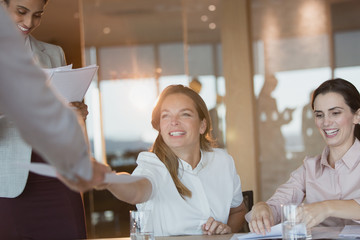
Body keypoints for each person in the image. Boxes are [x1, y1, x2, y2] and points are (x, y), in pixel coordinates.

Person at [0, 1, 104, 239]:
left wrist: (75, 115)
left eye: (37, 15)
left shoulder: (53, 53)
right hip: (8, 178)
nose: (29, 23)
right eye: (21, 11)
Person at [98, 84, 247, 236]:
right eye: (166, 115)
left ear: (202, 125)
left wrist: (226, 231)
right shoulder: (153, 165)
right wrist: (109, 179)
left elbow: (238, 211)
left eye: (185, 114)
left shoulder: (222, 162)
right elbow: (137, 190)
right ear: (161, 128)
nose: (174, 121)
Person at [247, 78, 360, 235]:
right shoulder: (310, 168)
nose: (326, 122)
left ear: (357, 116)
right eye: (319, 115)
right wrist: (262, 207)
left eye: (335, 113)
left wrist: (326, 207)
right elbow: (278, 205)